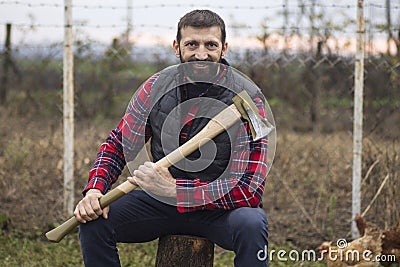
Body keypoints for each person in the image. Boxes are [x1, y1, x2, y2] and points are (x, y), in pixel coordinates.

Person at [74, 9, 270, 267]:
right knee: (95, 221)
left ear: (224, 49)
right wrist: (96, 189)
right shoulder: (156, 87)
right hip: (160, 203)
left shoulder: (250, 99)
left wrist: (178, 190)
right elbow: (118, 144)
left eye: (211, 45)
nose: (201, 54)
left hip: (219, 211)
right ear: (177, 47)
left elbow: (249, 190)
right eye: (192, 44)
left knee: (251, 223)